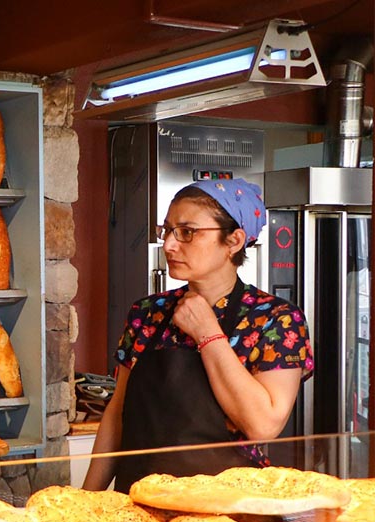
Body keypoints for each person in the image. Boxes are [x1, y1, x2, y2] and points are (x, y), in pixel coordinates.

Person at [84, 178, 313, 493]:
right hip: (138, 506)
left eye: (187, 233)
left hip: (228, 514)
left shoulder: (277, 320)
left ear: (234, 241)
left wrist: (207, 332)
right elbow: (117, 414)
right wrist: (88, 499)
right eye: (167, 231)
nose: (169, 245)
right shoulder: (148, 313)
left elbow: (263, 425)